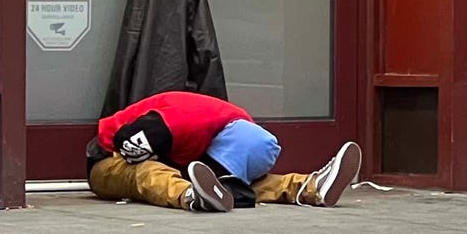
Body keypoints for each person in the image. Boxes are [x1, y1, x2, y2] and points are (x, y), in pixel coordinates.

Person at [86, 91, 362, 212]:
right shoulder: (172, 125)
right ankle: (190, 196)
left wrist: (230, 177)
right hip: (109, 159)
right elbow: (124, 140)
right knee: (148, 171)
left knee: (245, 180)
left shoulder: (241, 125)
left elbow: (236, 164)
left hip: (182, 156)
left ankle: (310, 187)